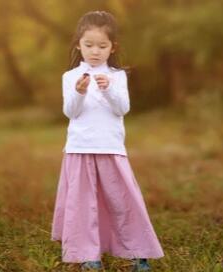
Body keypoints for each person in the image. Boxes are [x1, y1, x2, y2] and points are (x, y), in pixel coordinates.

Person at [50, 10, 164, 271]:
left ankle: (139, 252)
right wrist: (79, 93)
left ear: (113, 47)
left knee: (123, 200)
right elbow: (71, 112)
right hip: (79, 148)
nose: (95, 51)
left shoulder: (117, 75)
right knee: (83, 204)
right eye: (89, 45)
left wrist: (109, 88)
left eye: (102, 46)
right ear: (78, 44)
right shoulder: (70, 77)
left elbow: (122, 108)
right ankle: (89, 255)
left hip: (110, 147)